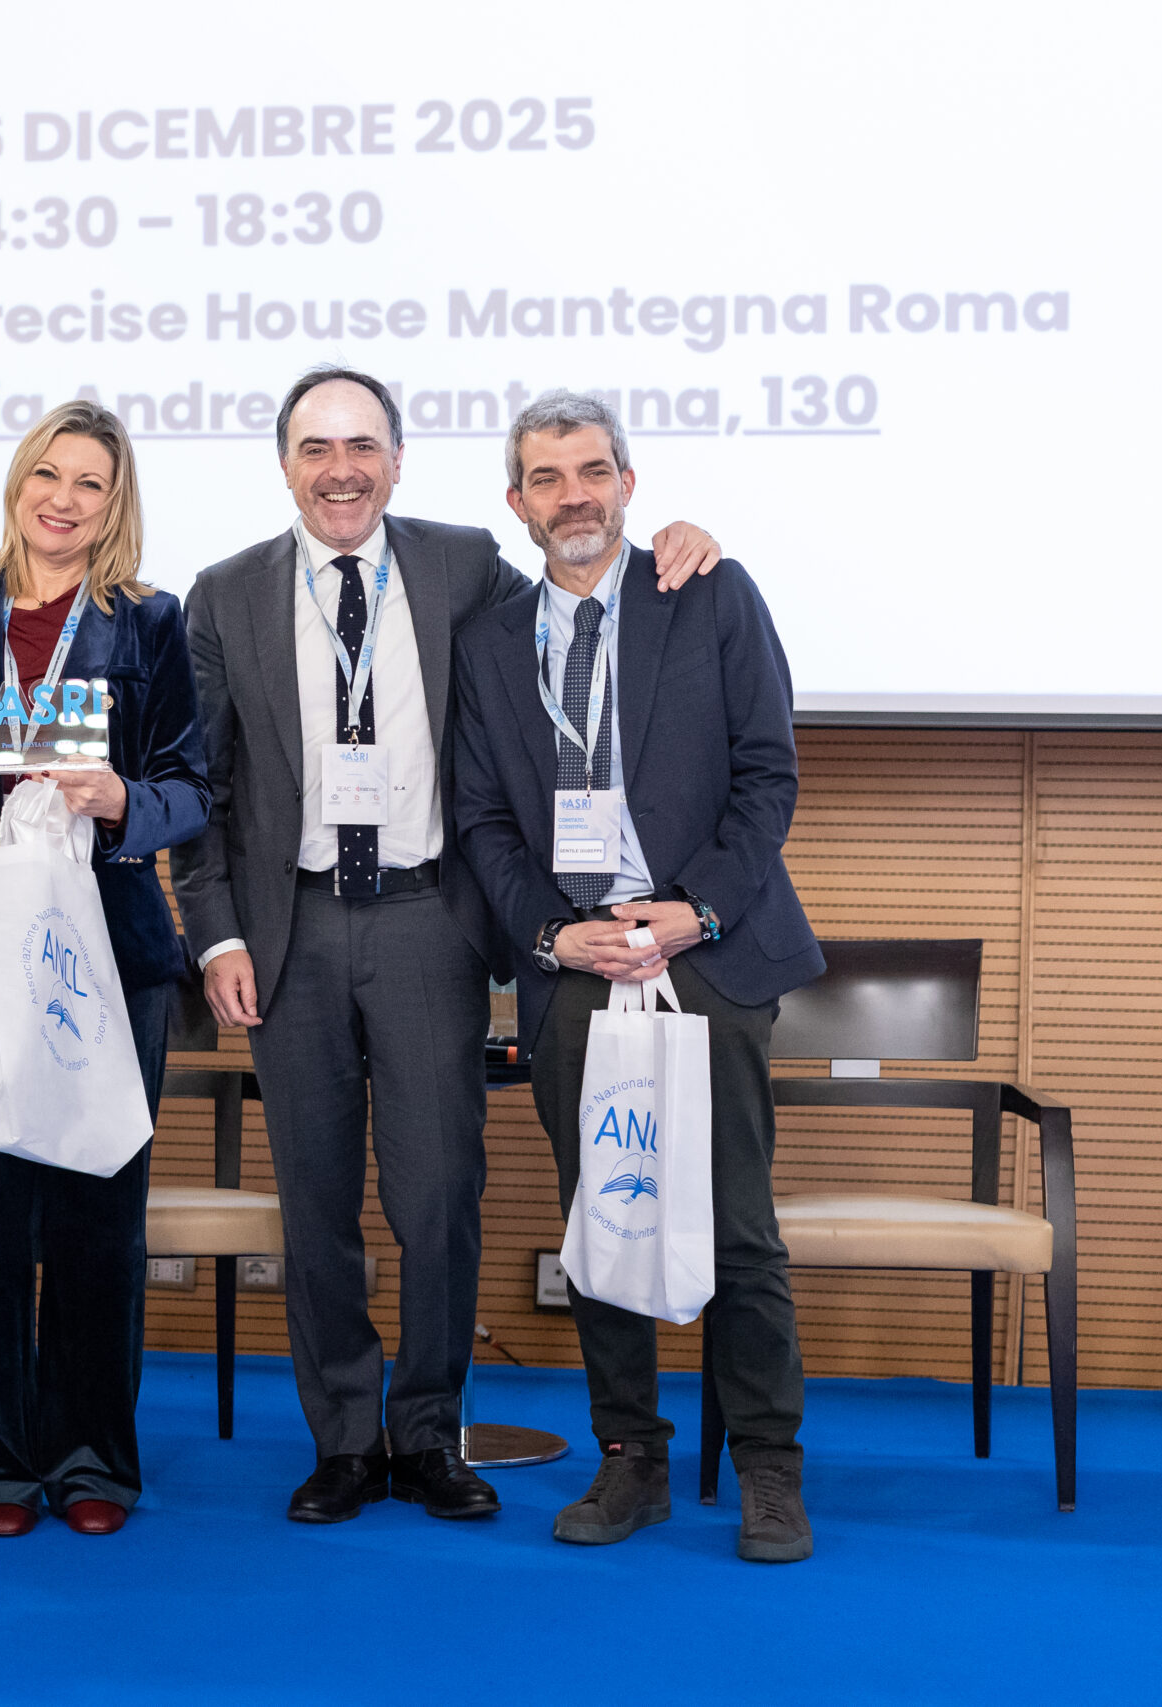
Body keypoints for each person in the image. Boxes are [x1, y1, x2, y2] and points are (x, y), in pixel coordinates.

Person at [168, 366, 722, 1526]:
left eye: (362, 446)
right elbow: (203, 790)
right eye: (316, 449)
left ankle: (425, 1435)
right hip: (288, 932)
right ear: (285, 467)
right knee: (315, 1204)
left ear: (397, 461)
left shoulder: (465, 563)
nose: (341, 470)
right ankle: (341, 1441)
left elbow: (584, 589)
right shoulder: (223, 594)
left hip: (428, 921)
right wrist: (214, 935)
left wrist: (676, 542)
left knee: (437, 1200)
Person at [451, 389, 821, 1563]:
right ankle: (631, 1463)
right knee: (604, 1221)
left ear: (626, 483)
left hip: (705, 951)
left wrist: (694, 909)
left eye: (592, 471)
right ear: (516, 502)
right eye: (547, 477)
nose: (574, 496)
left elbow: (766, 775)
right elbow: (480, 820)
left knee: (738, 1230)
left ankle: (767, 1471)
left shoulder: (706, 593)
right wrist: (550, 937)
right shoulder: (490, 643)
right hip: (574, 966)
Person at [0, 402, 208, 1537]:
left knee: (98, 1211)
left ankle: (93, 1458)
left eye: (90, 484)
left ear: (115, 507)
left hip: (108, 947)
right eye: (48, 475)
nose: (64, 500)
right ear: (19, 483)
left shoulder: (149, 621)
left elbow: (190, 790)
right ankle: (0, 1465)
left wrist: (122, 800)